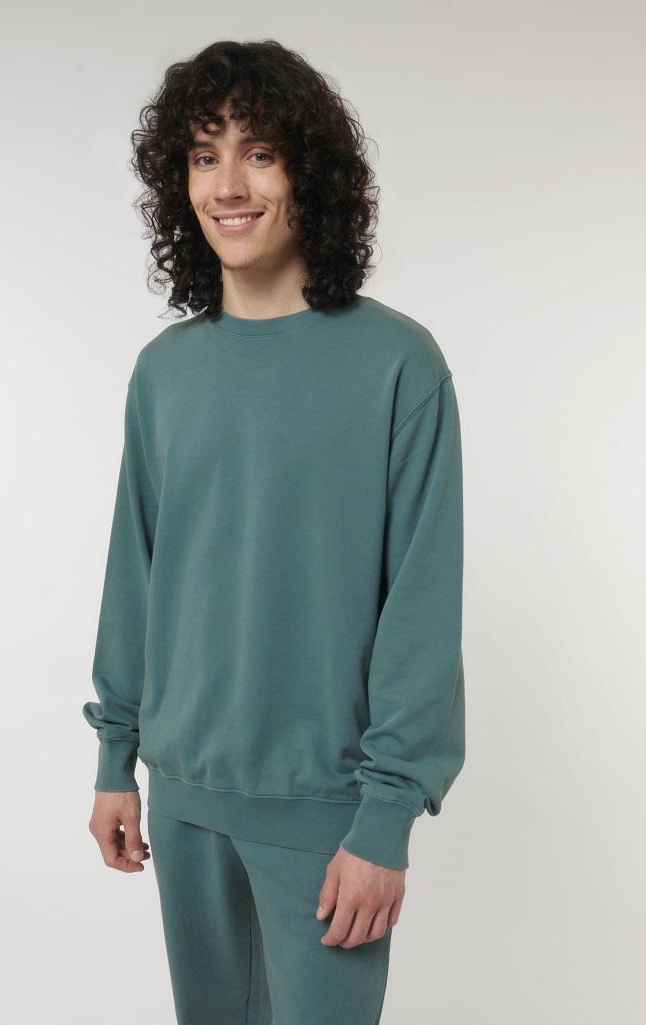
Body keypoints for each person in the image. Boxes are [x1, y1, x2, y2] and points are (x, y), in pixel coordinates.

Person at [82, 38, 466, 1025]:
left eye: (259, 152)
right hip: (183, 799)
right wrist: (115, 757)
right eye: (203, 155)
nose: (228, 185)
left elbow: (420, 603)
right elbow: (136, 573)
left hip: (327, 811)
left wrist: (385, 818)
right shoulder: (164, 373)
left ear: (310, 173)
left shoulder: (397, 364)